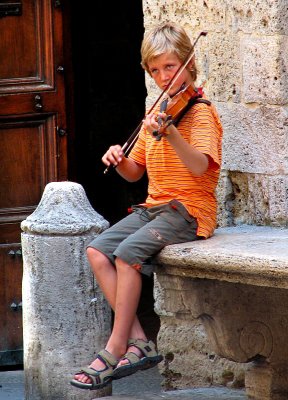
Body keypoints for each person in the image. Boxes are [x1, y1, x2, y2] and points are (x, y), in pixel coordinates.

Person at [70, 21, 223, 391]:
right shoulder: (155, 112)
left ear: (188, 65)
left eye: (169, 66)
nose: (162, 76)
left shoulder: (199, 113)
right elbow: (134, 172)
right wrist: (117, 158)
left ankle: (115, 347)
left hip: (188, 211)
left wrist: (171, 132)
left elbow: (201, 165)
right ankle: (140, 342)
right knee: (96, 250)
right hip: (154, 208)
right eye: (154, 69)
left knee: (126, 255)